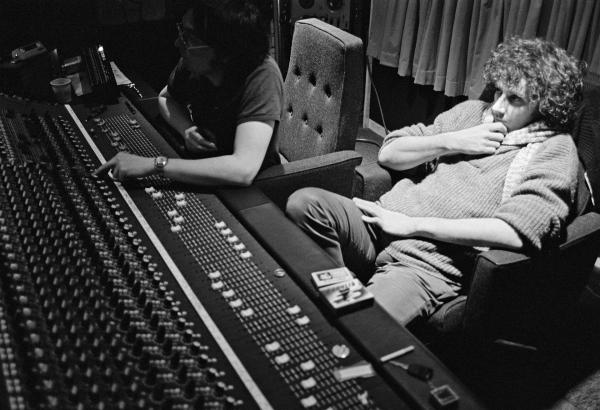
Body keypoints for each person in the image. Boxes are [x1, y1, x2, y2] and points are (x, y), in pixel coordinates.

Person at [286, 37, 585, 326]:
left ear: (544, 106)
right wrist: (451, 141)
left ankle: (345, 315)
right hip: (379, 223)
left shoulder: (554, 149)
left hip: (428, 262)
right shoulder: (472, 114)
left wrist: (412, 225)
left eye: (514, 99)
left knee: (361, 328)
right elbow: (390, 153)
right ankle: (342, 297)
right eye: (498, 92)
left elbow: (516, 232)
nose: (497, 107)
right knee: (305, 204)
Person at [94, 0, 284, 186]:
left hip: (255, 190)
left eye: (188, 38)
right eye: (181, 32)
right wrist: (186, 129)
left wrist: (155, 165)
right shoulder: (195, 63)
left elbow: (243, 169)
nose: (178, 43)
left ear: (223, 51)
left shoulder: (262, 75)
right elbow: (166, 98)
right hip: (205, 168)